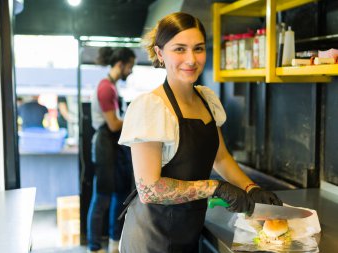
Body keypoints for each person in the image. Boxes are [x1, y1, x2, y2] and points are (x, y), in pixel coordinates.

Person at [118, 12, 282, 253]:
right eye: (180, 49)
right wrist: (216, 188)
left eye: (198, 48)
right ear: (160, 53)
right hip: (150, 239)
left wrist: (251, 188)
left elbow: (221, 157)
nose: (191, 59)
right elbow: (149, 189)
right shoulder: (150, 107)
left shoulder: (206, 99)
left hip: (187, 231)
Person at [87, 47, 136, 253]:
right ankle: (95, 247)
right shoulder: (106, 88)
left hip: (113, 145)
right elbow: (114, 124)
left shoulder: (112, 87)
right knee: (102, 197)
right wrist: (136, 119)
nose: (131, 71)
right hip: (105, 144)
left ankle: (114, 245)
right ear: (120, 64)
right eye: (130, 66)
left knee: (120, 194)